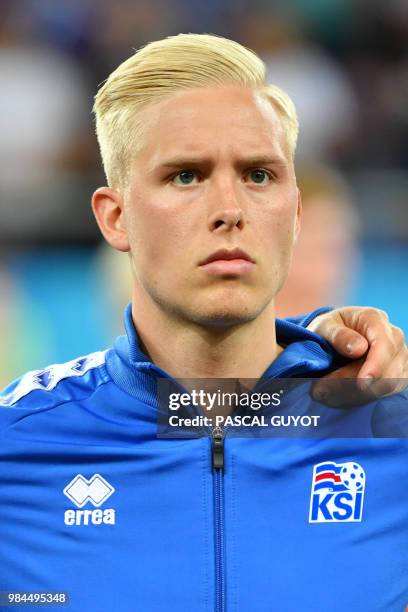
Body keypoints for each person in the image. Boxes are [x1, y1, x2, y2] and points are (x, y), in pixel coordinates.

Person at [0, 34, 407, 612]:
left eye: (259, 175)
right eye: (186, 175)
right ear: (115, 218)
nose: (230, 209)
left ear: (294, 215)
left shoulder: (390, 427)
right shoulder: (16, 448)